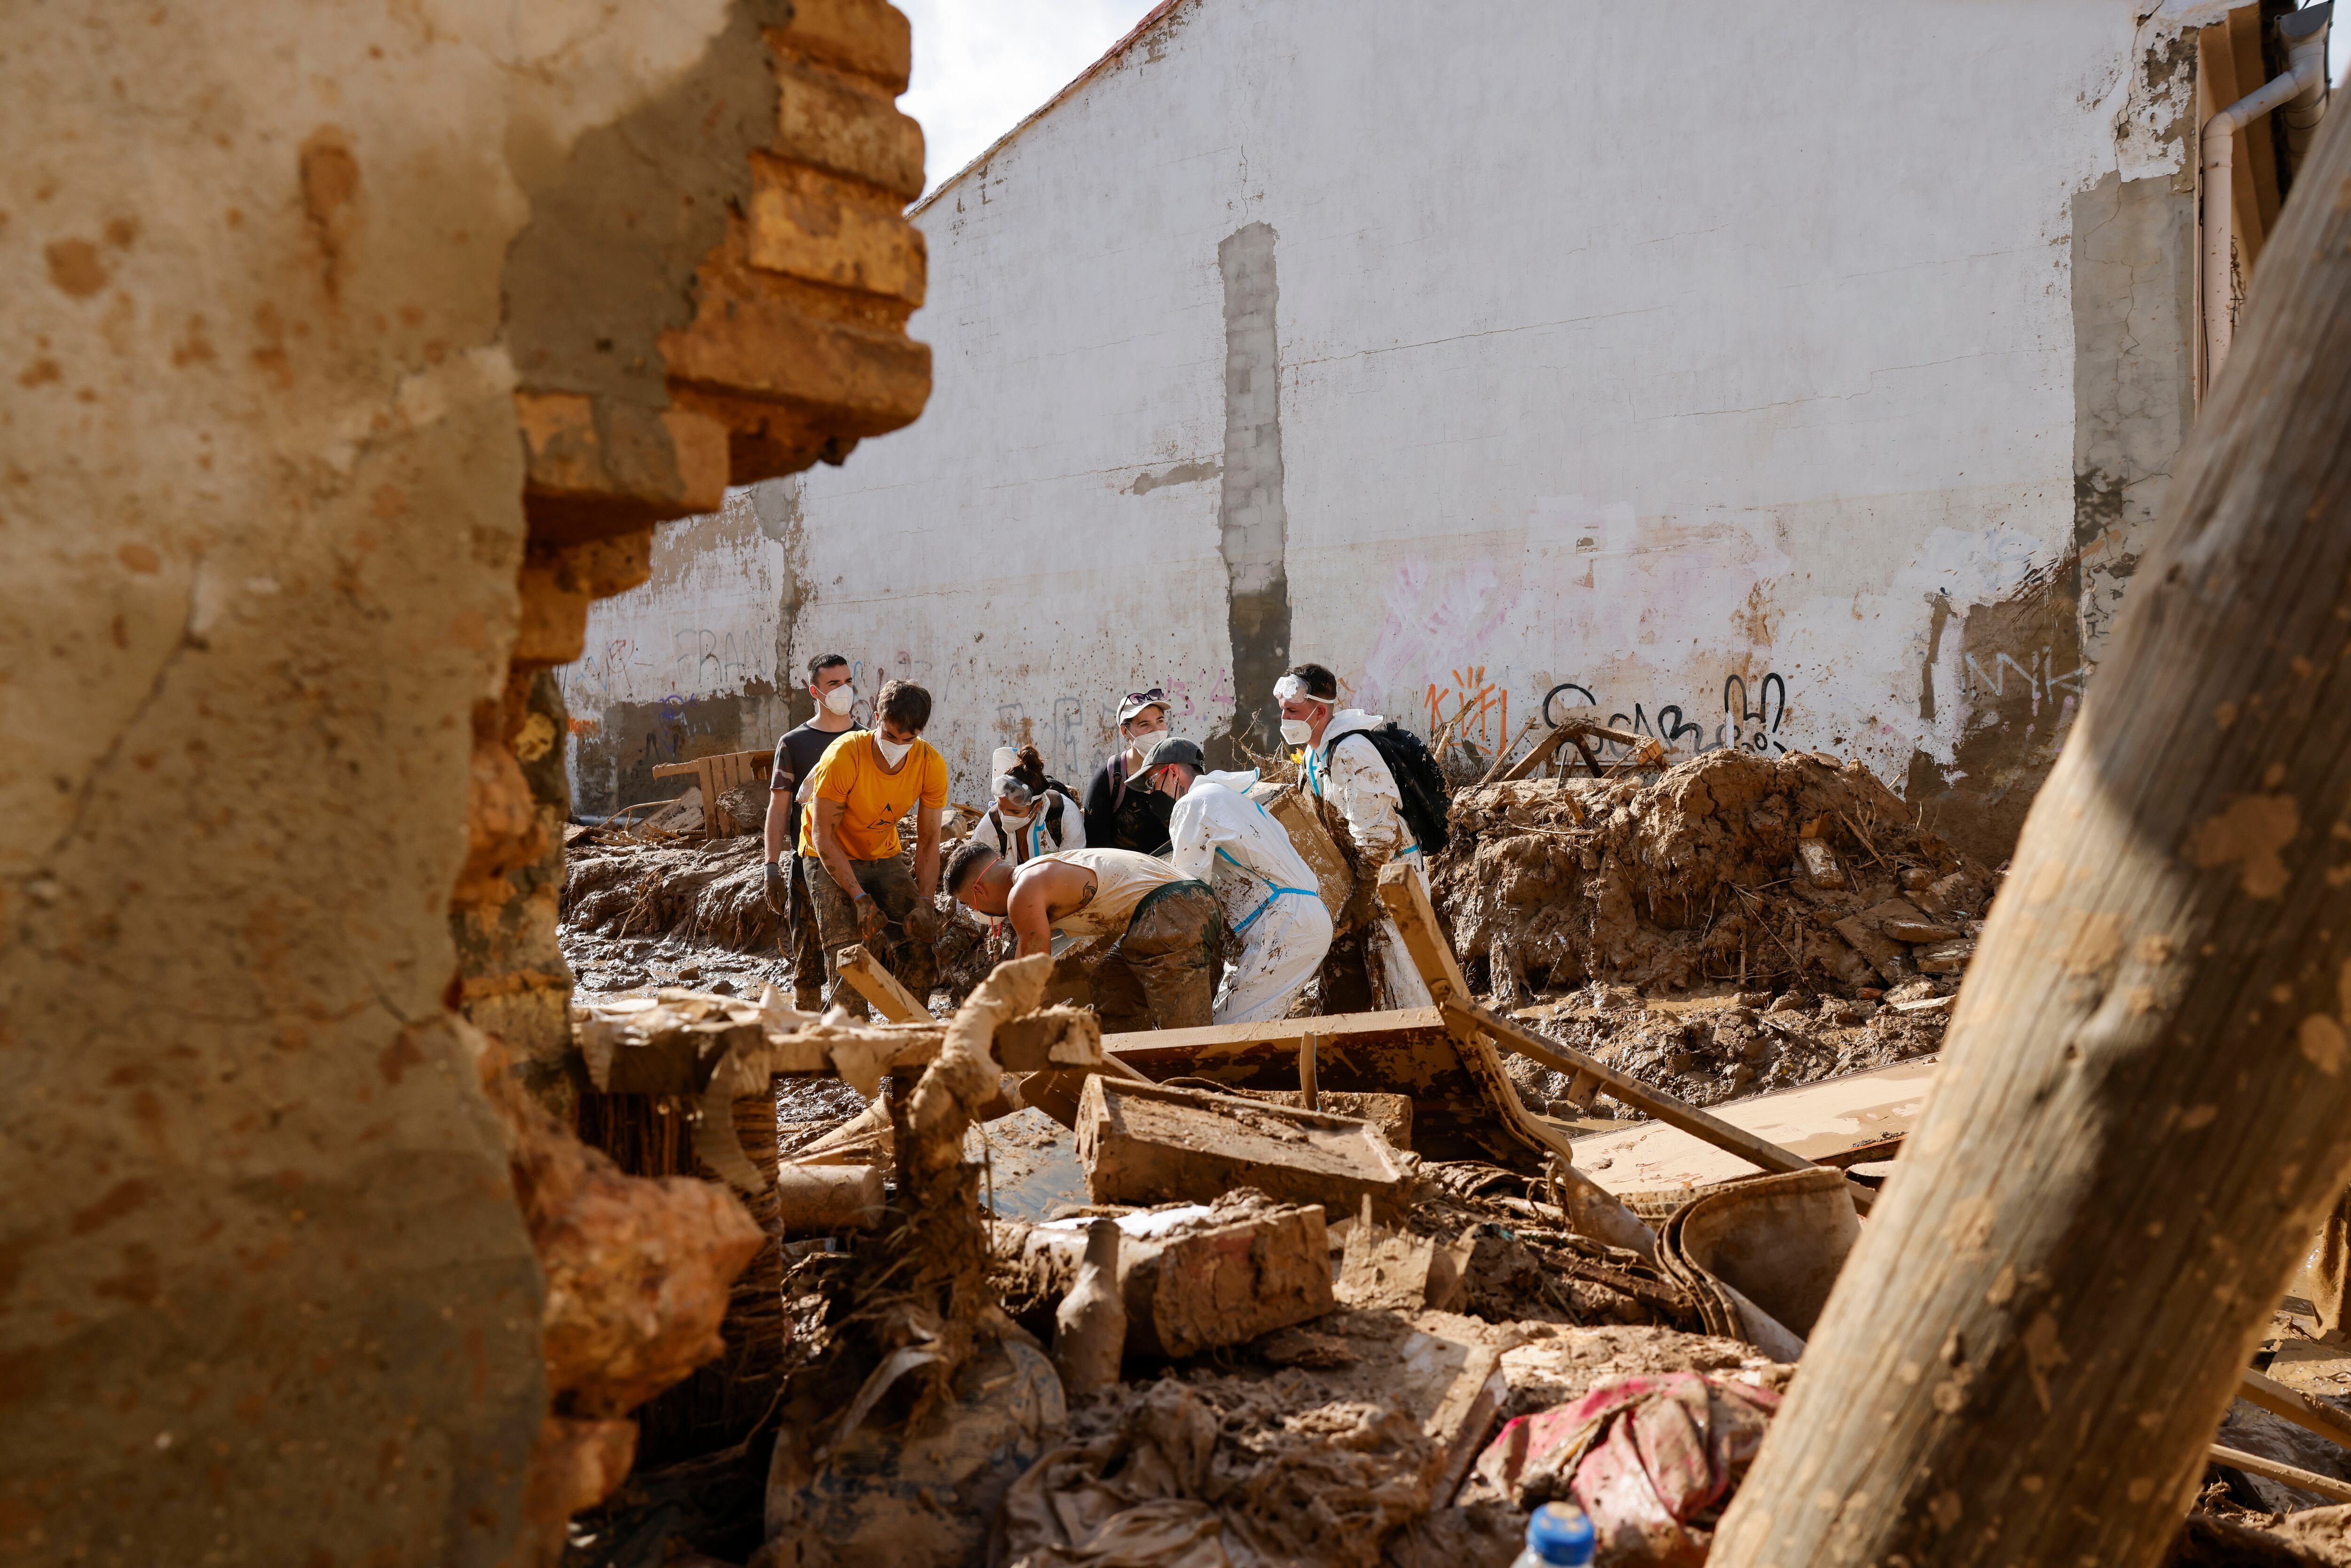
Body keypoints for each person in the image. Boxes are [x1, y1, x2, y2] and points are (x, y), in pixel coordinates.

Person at [1135, 736, 1333, 1025]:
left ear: (1174, 773)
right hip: (1299, 918)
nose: (1151, 794)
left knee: (1229, 1035)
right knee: (1251, 1027)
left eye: (1153, 783)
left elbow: (1187, 892)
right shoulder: (1233, 799)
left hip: (1283, 925)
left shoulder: (1192, 804)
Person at [1278, 662, 1433, 1008]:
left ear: (1319, 711)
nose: (1284, 719)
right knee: (1371, 982)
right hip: (1367, 875)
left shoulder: (1351, 752)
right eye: (1283, 710)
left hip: (1393, 877)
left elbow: (1379, 836)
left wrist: (1363, 896)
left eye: (1293, 711)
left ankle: (1424, 1051)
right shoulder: (1314, 754)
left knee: (1403, 981)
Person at [943, 840, 1220, 1032]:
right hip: (1166, 910)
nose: (974, 911)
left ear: (979, 892)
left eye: (969, 904)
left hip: (1173, 909)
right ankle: (1131, 1061)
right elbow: (1020, 965)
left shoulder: (1023, 893)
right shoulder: (1034, 876)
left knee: (1184, 1032)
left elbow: (1031, 975)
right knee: (1112, 982)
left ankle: (1199, 1080)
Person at [798, 678, 948, 1018]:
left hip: (882, 853)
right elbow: (824, 836)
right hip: (827, 854)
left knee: (920, 948)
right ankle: (854, 1045)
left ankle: (908, 1041)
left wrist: (926, 902)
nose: (897, 745)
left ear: (919, 733)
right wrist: (860, 898)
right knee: (847, 955)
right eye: (891, 735)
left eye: (908, 739)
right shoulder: (844, 755)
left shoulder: (930, 764)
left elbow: (928, 842)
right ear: (877, 716)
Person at [765, 654, 863, 1009]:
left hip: (859, 862)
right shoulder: (794, 744)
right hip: (808, 865)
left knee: (857, 955)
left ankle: (854, 1037)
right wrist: (771, 866)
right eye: (834, 684)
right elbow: (779, 809)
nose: (844, 690)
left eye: (849, 682)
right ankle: (806, 1045)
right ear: (815, 691)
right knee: (807, 961)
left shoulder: (865, 741)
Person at [1082, 687, 1175, 854]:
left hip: (1177, 874)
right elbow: (1096, 845)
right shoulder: (1111, 776)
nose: (1156, 730)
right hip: (1126, 876)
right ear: (1125, 731)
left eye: (1160, 721)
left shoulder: (1182, 768)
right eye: (1145, 724)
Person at [968, 744, 1086, 867]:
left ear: (1038, 806)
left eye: (1015, 812)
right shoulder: (991, 824)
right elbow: (977, 870)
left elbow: (1072, 870)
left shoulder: (1065, 815)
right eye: (1001, 808)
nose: (1005, 817)